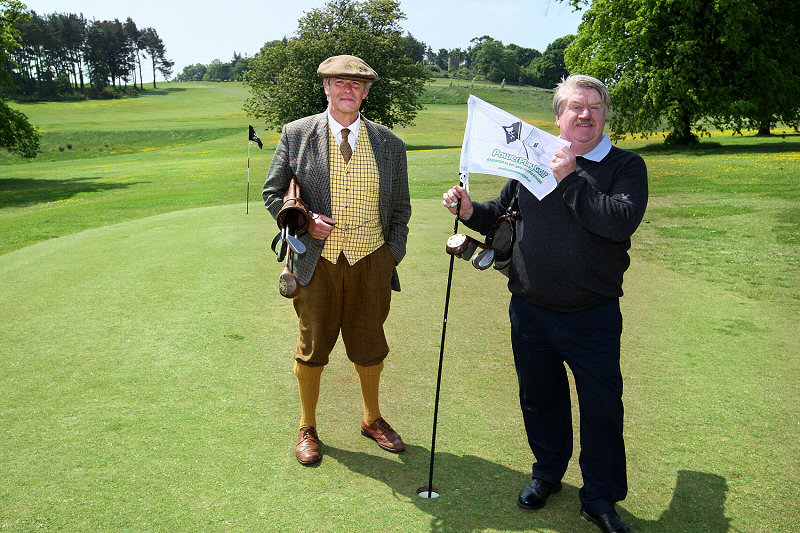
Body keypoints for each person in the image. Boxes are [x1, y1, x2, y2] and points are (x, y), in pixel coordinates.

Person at [442, 74, 647, 533]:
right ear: (558, 116)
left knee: (601, 408)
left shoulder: (624, 166)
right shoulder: (531, 160)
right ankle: (548, 473)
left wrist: (570, 178)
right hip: (530, 310)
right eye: (575, 107)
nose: (585, 115)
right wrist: (471, 210)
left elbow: (618, 222)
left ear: (604, 114)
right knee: (540, 400)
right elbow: (504, 212)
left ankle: (599, 498)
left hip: (592, 314)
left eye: (594, 107)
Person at [263, 55, 411, 466]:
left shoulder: (390, 144)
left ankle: (372, 418)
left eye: (356, 84)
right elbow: (272, 192)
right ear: (326, 88)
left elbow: (401, 209)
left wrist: (389, 255)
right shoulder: (296, 134)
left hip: (371, 262)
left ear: (365, 92)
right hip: (316, 263)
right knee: (313, 346)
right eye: (338, 82)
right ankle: (307, 426)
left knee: (370, 344)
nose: (347, 89)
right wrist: (307, 222)